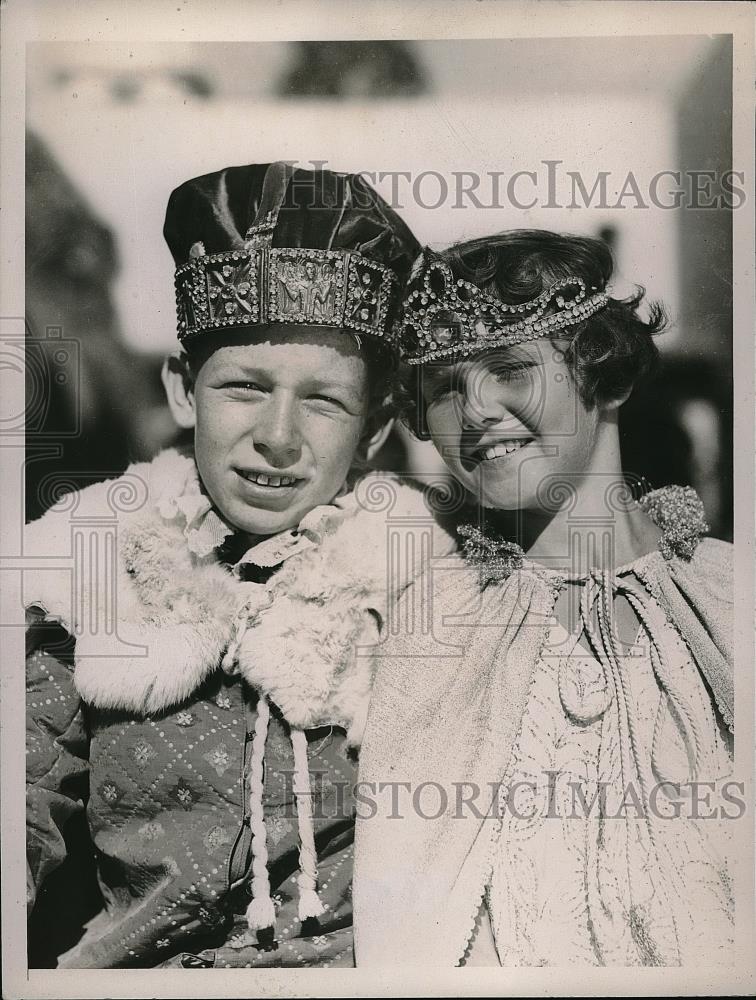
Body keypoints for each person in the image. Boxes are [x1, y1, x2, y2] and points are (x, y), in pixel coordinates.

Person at [24, 161, 456, 969]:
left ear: (373, 429)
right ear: (184, 391)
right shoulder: (84, 561)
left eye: (323, 400)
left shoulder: (428, 574)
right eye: (245, 388)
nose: (279, 437)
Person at [354, 231, 734, 967]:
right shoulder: (427, 612)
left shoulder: (729, 597)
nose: (475, 413)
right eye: (442, 388)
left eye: (509, 368)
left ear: (608, 377)